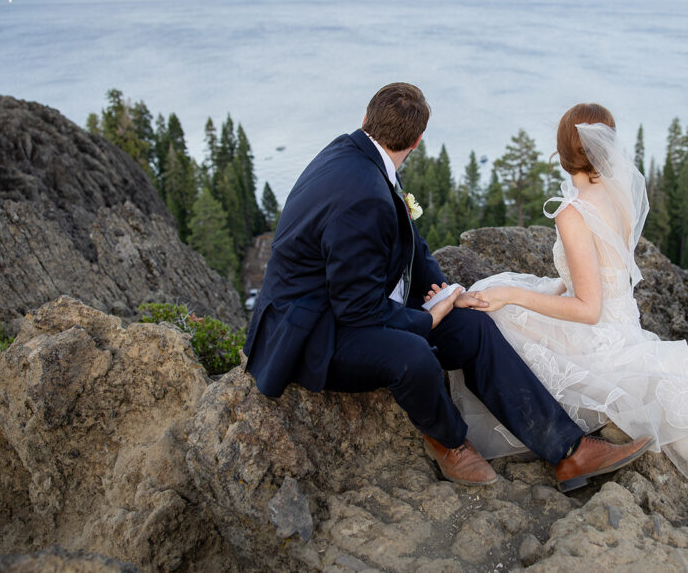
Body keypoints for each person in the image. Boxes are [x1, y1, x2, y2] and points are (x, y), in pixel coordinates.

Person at [243, 83, 654, 492]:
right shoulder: (363, 193)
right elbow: (356, 311)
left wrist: (446, 292)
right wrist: (425, 318)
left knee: (473, 324)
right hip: (314, 332)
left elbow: (410, 244)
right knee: (413, 355)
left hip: (347, 306)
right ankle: (450, 441)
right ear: (418, 140)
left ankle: (568, 451)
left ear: (366, 119)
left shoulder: (358, 155)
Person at [445, 103, 688, 495]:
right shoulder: (619, 194)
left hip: (596, 330)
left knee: (494, 314)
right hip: (623, 320)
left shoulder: (573, 212)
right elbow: (601, 276)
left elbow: (589, 309)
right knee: (500, 296)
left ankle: (461, 433)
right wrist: (547, 288)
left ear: (561, 155)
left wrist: (513, 295)